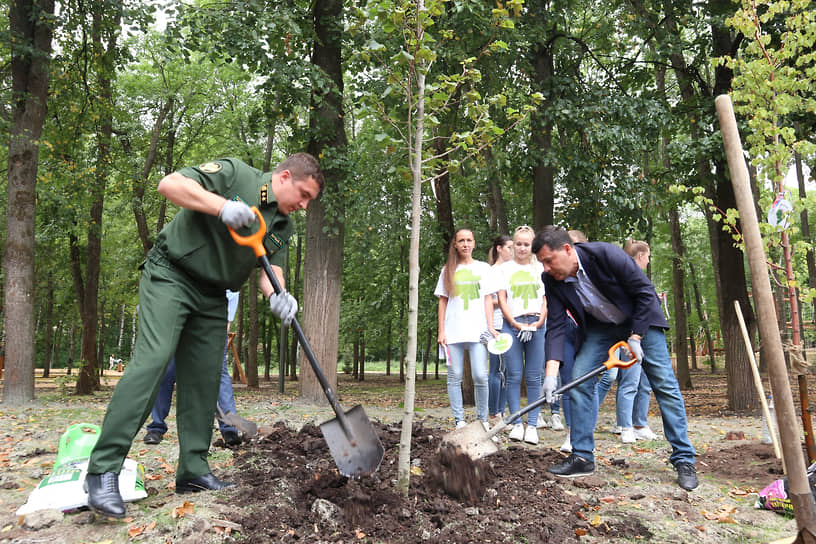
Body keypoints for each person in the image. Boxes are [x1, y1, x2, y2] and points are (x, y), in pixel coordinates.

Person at [84, 154, 324, 518]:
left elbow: (269, 270)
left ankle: (193, 469)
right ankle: (102, 470)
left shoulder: (282, 224)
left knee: (205, 379)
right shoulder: (235, 174)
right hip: (172, 274)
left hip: (215, 295)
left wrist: (280, 297)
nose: (305, 205)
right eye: (304, 194)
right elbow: (170, 184)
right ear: (286, 176)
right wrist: (223, 207)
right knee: (153, 361)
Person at [533, 227, 697, 491]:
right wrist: (551, 374)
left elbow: (645, 292)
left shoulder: (606, 254)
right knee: (577, 380)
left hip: (641, 320)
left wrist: (636, 336)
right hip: (601, 327)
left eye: (549, 260)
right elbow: (556, 326)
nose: (546, 268)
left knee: (664, 385)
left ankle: (684, 459)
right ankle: (582, 456)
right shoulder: (551, 279)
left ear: (567, 250)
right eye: (542, 263)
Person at [143, 290, 243, 447]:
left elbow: (226, 322)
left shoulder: (231, 283)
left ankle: (230, 430)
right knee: (166, 372)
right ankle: (156, 427)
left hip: (213, 331)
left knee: (219, 376)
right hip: (178, 326)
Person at [435, 228, 496, 430]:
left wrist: (491, 328)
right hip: (453, 332)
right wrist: (441, 331)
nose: (465, 244)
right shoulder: (448, 270)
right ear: (455, 244)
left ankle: (482, 420)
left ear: (474, 243)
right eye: (461, 240)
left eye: (469, 240)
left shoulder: (484, 268)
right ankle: (459, 420)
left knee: (480, 375)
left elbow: (488, 300)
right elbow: (443, 302)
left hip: (478, 331)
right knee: (455, 376)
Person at [497, 225, 547, 445]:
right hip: (513, 325)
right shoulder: (504, 269)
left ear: (532, 246)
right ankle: (516, 422)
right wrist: (514, 323)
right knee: (514, 375)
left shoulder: (541, 269)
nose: (522, 248)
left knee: (535, 376)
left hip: (536, 324)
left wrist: (539, 321)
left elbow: (547, 299)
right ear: (513, 245)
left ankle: (533, 424)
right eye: (518, 244)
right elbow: (502, 298)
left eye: (526, 244)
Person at [623, 239, 661, 441]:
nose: (648, 260)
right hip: (631, 337)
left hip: (646, 335)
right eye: (647, 256)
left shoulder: (641, 279)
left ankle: (640, 423)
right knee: (630, 382)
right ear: (640, 256)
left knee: (644, 383)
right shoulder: (628, 277)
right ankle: (626, 427)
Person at [486, 234, 513, 425]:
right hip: (496, 325)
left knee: (508, 371)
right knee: (496, 370)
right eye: (509, 247)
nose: (512, 251)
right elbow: (486, 300)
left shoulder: (511, 271)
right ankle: (493, 412)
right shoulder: (491, 272)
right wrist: (504, 301)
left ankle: (501, 412)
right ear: (499, 249)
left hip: (511, 325)